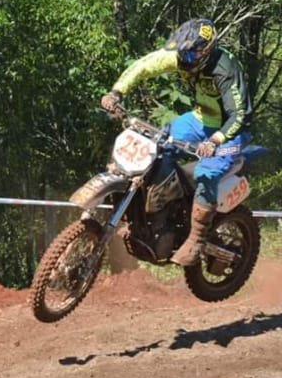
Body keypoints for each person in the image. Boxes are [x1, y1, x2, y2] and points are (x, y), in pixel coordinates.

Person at [100, 18, 253, 266]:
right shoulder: (183, 53)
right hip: (200, 119)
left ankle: (197, 239)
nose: (185, 61)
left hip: (231, 132)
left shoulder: (225, 69)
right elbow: (144, 65)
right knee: (153, 145)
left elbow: (240, 115)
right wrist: (117, 92)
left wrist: (215, 141)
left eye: (191, 57)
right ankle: (155, 211)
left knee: (206, 171)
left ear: (206, 51)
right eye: (183, 54)